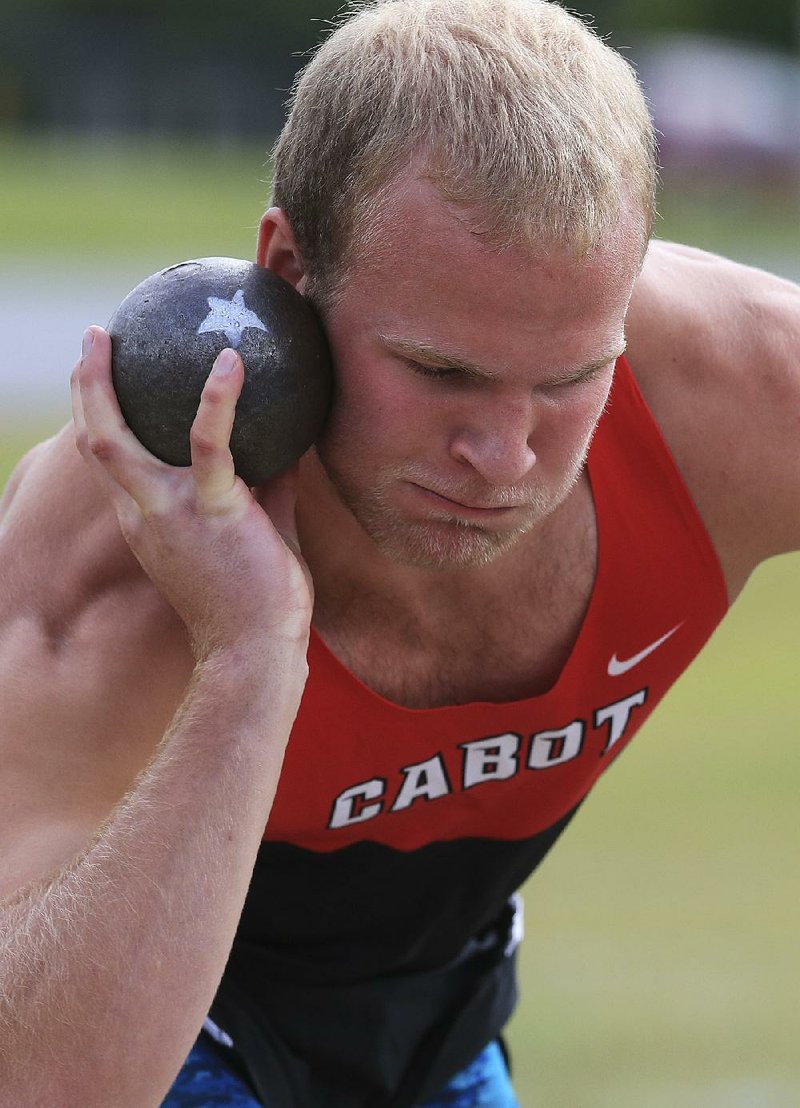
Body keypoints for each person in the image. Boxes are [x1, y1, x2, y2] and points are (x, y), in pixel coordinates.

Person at [1, 0, 798, 1104]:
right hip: (159, 1015)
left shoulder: (739, 391)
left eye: (570, 378)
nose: (503, 456)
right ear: (287, 268)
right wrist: (247, 658)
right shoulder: (109, 543)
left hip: (442, 1013)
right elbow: (45, 1084)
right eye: (442, 373)